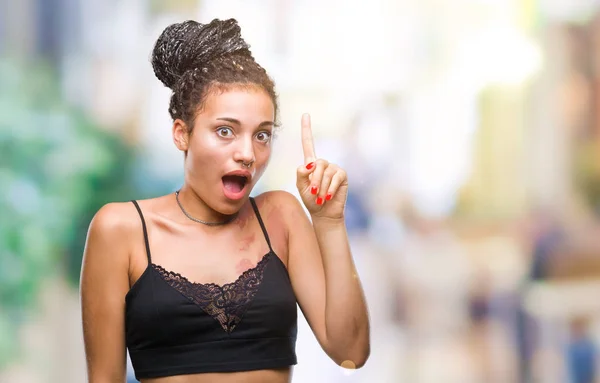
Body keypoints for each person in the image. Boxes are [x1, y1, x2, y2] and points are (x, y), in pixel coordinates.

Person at [80, 18, 370, 383]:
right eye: (225, 131)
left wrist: (328, 222)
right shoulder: (121, 229)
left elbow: (351, 352)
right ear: (181, 133)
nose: (248, 153)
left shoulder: (281, 218)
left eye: (262, 135)